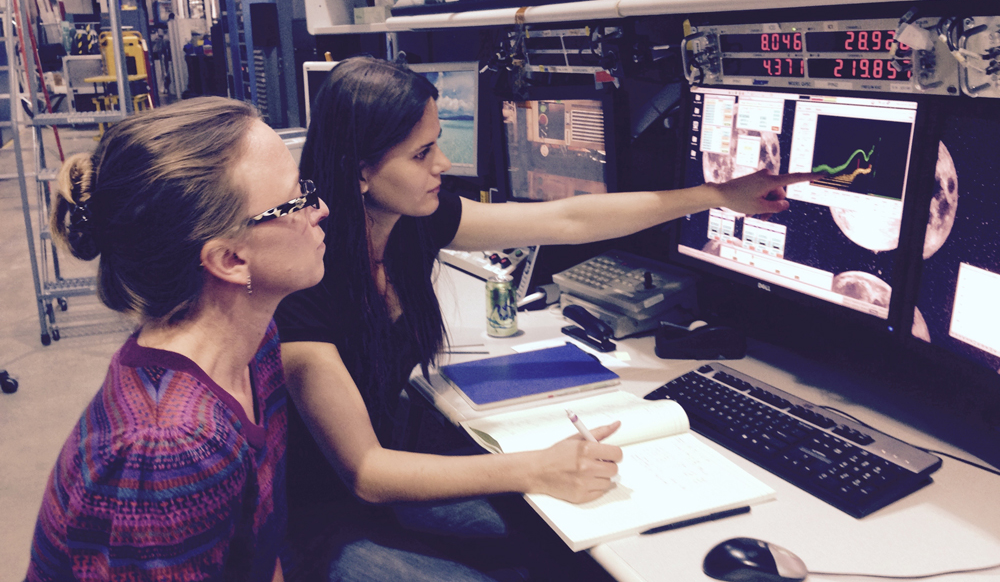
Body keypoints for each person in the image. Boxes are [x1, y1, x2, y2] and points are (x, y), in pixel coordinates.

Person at [275, 56, 817, 580]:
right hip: (318, 523)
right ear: (361, 172)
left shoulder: (412, 223)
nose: (442, 164)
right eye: (421, 155)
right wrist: (536, 466)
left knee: (559, 546)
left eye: (437, 143)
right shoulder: (304, 283)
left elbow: (568, 218)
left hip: (388, 489)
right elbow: (365, 472)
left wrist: (717, 195)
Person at [27, 97, 329, 581]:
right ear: (230, 259)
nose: (321, 209)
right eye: (298, 200)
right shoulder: (166, 451)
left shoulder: (255, 344)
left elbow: (260, 543)